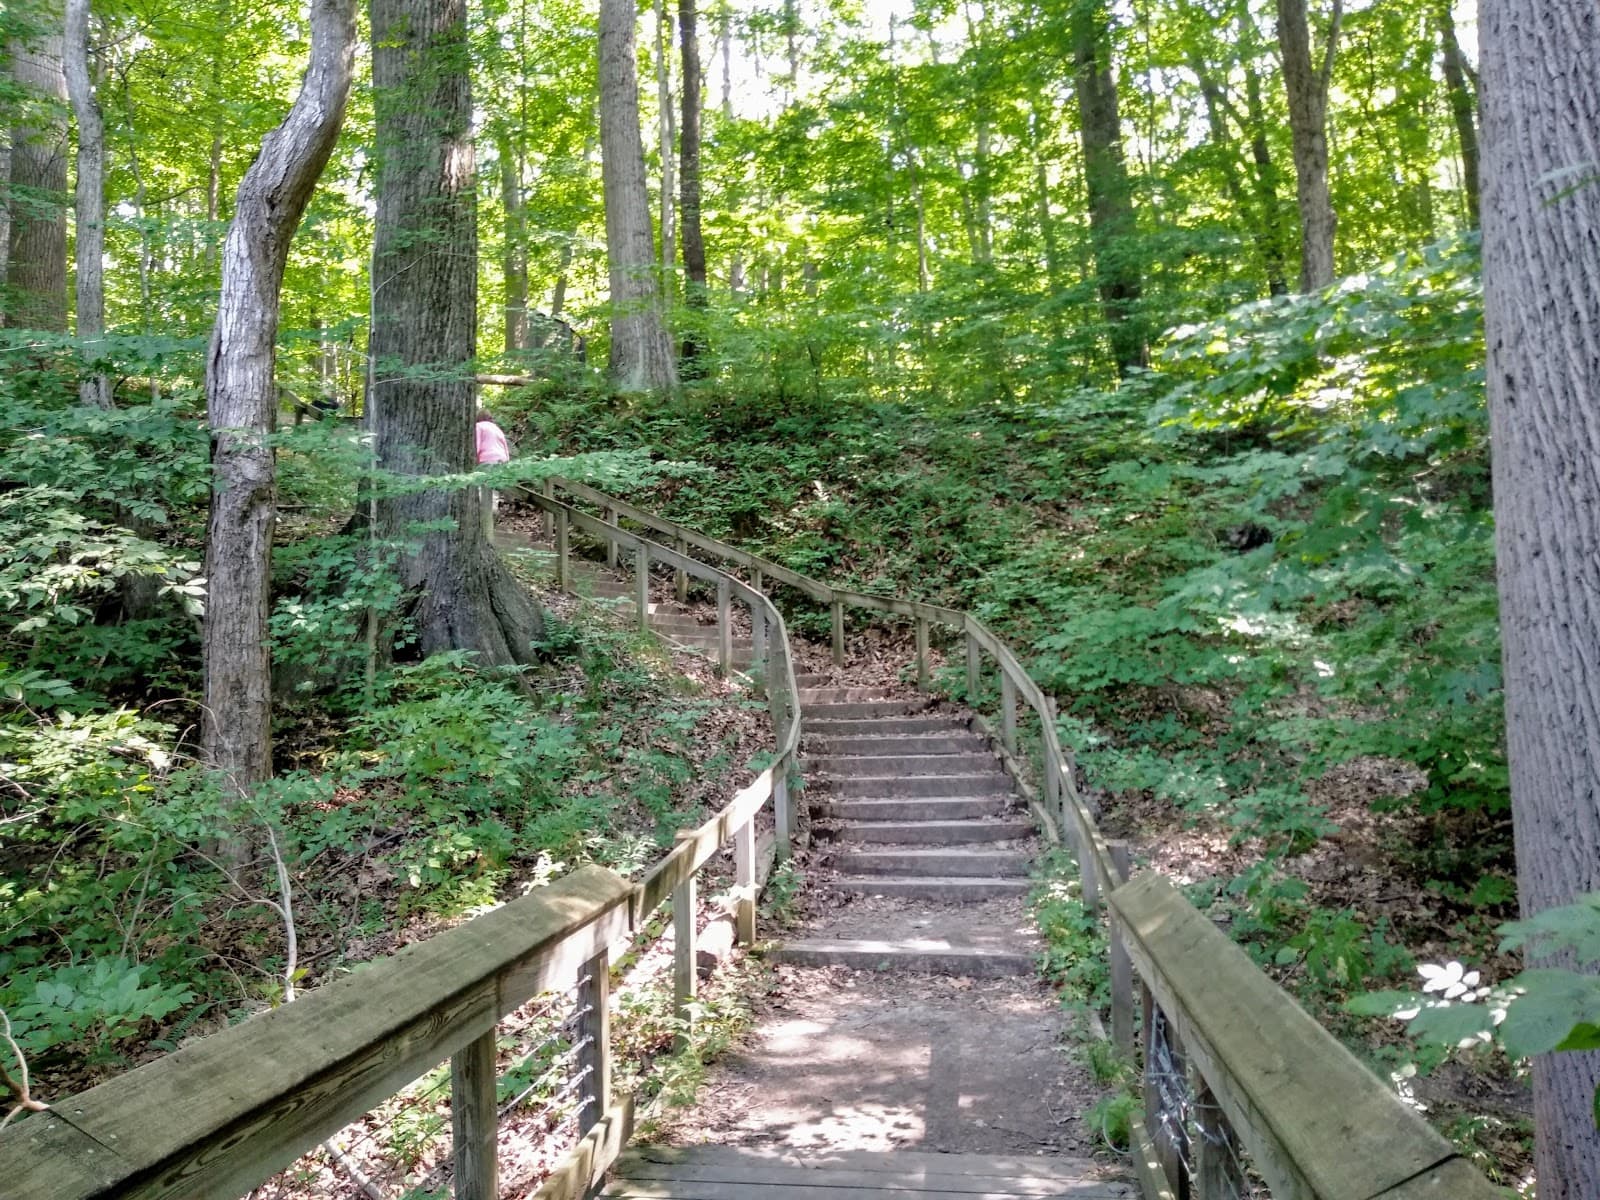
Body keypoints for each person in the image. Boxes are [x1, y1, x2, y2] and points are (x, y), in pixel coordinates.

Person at [475, 408, 512, 537]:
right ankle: (494, 508)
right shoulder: (497, 429)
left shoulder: (478, 426)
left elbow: (477, 444)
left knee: (482, 487)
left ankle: (485, 515)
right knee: (493, 488)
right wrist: (506, 463)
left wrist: (474, 458)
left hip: (486, 459)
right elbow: (505, 447)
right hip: (500, 460)